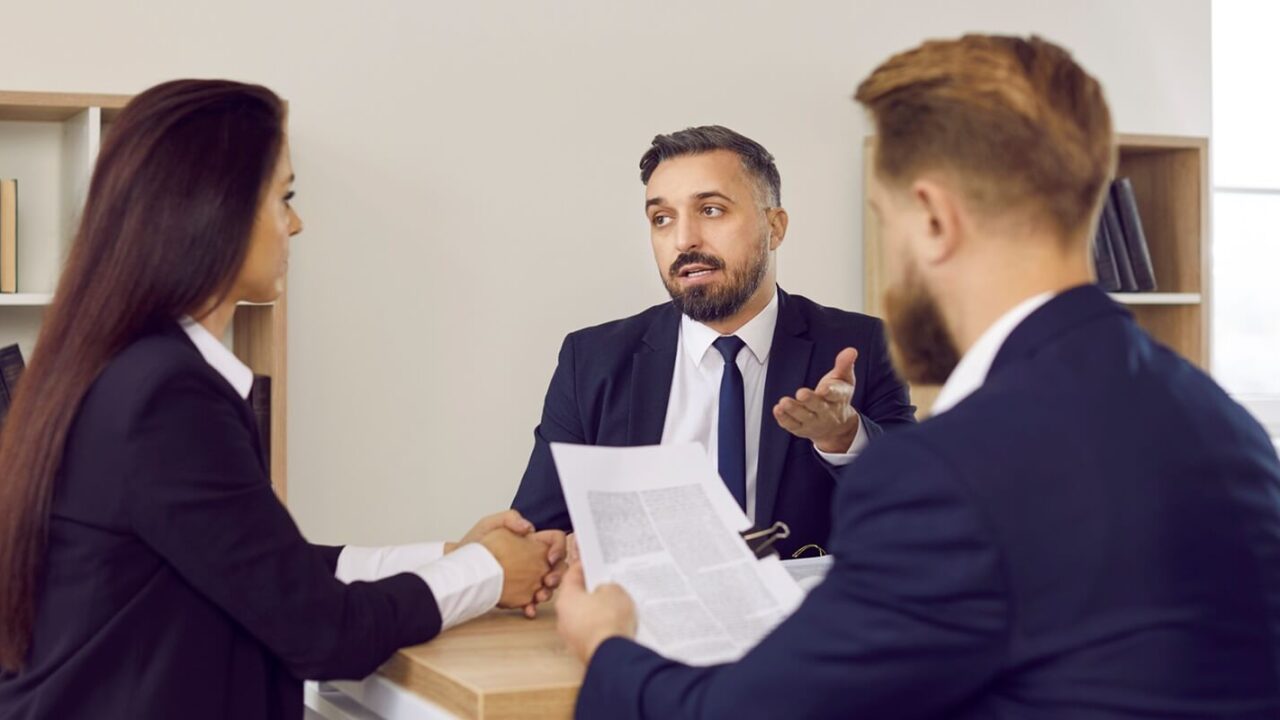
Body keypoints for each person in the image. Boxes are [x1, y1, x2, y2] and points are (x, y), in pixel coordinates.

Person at [556, 35, 1280, 719]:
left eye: (886, 218)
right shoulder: (1228, 428)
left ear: (931, 218)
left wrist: (605, 646)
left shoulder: (949, 476)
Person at [0, 79, 564, 720]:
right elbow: (323, 634)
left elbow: (262, 567)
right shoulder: (167, 395)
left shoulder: (123, 366)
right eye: (284, 198)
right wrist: (488, 572)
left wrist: (450, 558)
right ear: (215, 209)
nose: (297, 223)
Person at [512, 125, 915, 557]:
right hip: (647, 616)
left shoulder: (862, 346)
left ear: (774, 227)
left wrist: (844, 438)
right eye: (661, 219)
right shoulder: (591, 360)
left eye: (711, 210)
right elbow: (538, 531)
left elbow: (918, 511)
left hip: (807, 617)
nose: (684, 240)